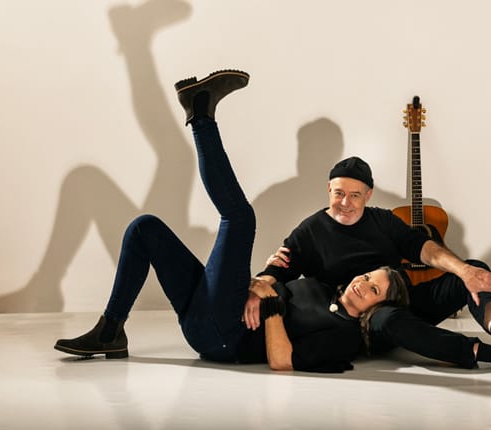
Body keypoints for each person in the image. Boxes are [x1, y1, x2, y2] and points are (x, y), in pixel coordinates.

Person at [53, 70, 408, 373]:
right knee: (145, 228)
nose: (361, 284)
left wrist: (269, 303)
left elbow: (282, 360)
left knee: (240, 218)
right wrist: (259, 285)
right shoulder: (322, 269)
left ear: (377, 309)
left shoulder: (344, 337)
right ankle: (110, 332)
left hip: (228, 338)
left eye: (372, 290)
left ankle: (201, 115)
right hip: (210, 316)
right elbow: (279, 269)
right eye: (366, 277)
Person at [247, 155, 491, 374]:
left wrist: (465, 271)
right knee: (388, 319)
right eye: (339, 193)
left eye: (355, 195)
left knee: (473, 268)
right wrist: (257, 288)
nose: (345, 203)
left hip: (402, 296)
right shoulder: (310, 231)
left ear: (368, 195)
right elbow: (276, 270)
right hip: (363, 320)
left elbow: (425, 248)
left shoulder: (383, 221)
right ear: (329, 189)